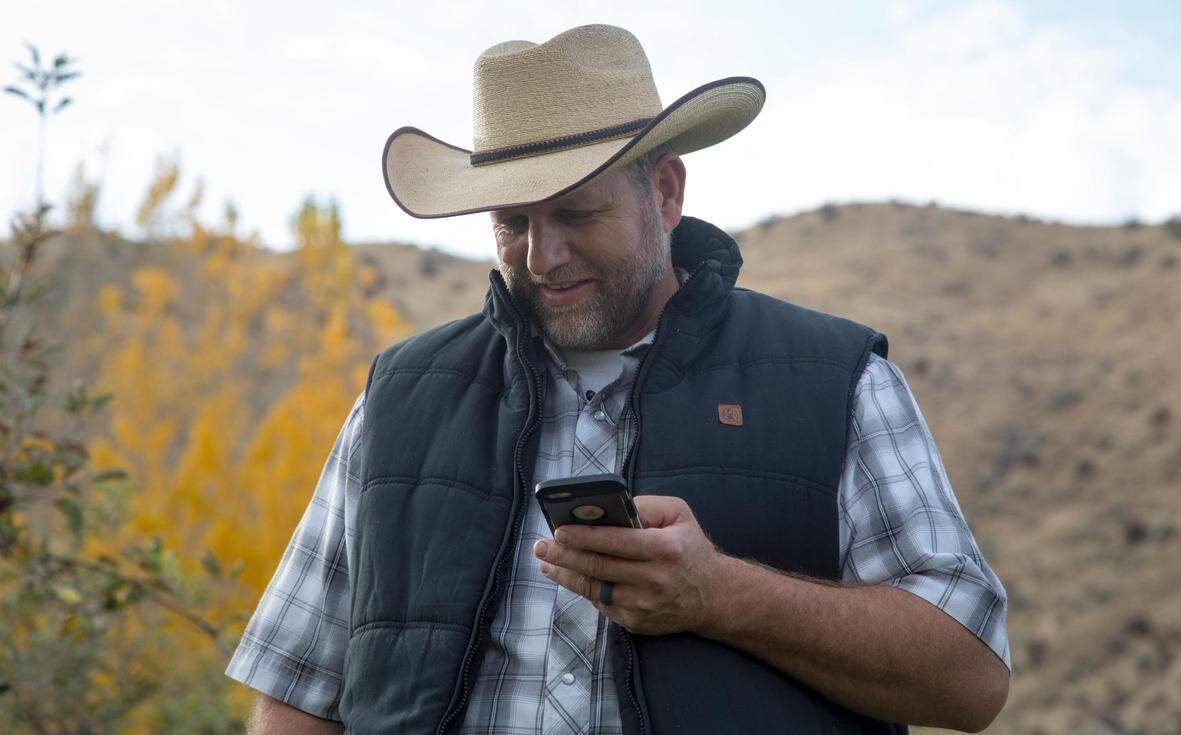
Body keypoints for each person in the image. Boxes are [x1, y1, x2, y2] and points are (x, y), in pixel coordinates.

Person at [225, 23, 1011, 735]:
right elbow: (299, 692)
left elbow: (971, 680)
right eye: (513, 222)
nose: (541, 255)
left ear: (665, 191)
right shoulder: (399, 399)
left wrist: (722, 594)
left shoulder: (840, 382)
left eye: (575, 213)